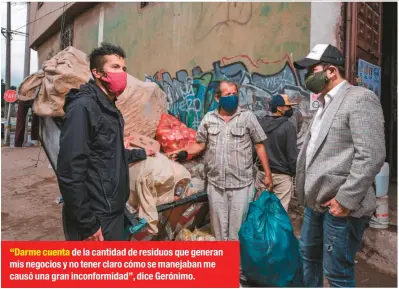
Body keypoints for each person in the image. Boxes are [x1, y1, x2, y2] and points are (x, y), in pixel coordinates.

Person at [294, 44, 386, 287]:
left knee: (336, 273)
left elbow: (372, 155)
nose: (307, 78)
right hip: (315, 203)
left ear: (332, 71)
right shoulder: (323, 105)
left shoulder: (360, 99)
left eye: (312, 70)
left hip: (341, 208)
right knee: (308, 259)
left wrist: (344, 200)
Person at [56, 42, 154, 241]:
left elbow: (110, 153)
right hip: (97, 215)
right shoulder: (84, 107)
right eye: (115, 67)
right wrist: (87, 223)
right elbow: (70, 170)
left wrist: (142, 153)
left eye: (124, 68)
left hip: (111, 210)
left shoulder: (109, 107)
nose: (123, 73)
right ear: (97, 73)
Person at [169, 80, 273, 241]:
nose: (232, 97)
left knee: (236, 232)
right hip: (216, 185)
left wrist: (267, 174)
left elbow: (259, 146)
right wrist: (183, 153)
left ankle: (234, 264)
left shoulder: (247, 117)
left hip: (241, 185)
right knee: (219, 232)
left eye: (234, 94)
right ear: (218, 98)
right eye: (227, 94)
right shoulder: (209, 119)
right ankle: (224, 263)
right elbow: (199, 144)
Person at [255, 94, 298, 212]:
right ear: (279, 108)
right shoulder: (288, 126)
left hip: (262, 174)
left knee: (260, 212)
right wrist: (294, 173)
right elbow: (292, 154)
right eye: (288, 106)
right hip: (282, 177)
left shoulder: (261, 124)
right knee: (279, 214)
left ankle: (261, 231)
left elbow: (256, 149)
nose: (290, 109)